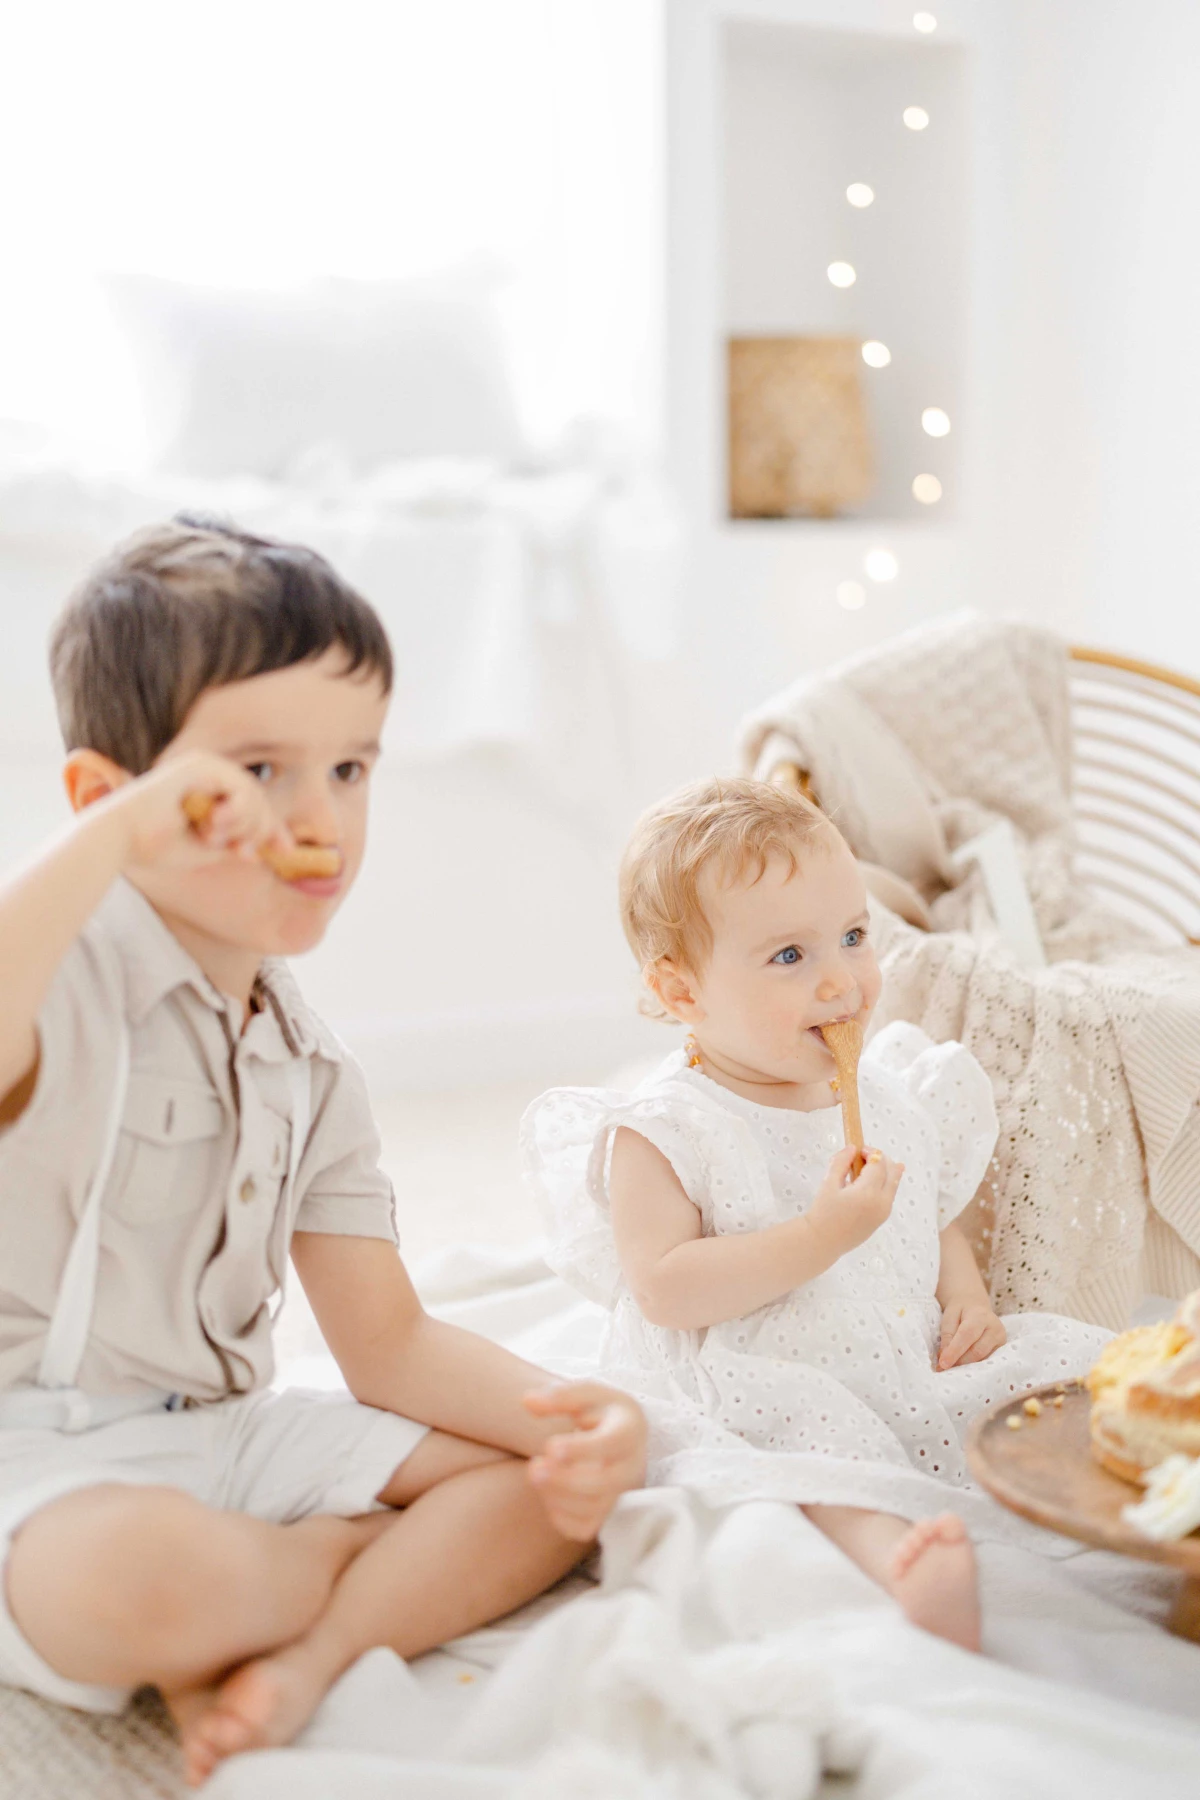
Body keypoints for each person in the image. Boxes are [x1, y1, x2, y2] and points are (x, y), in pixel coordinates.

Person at [0, 517, 646, 1787]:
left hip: (234, 1434)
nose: (322, 819)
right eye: (260, 772)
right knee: (134, 1582)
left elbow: (390, 1346)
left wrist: (582, 1416)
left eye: (351, 769)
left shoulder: (309, 1063)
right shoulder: (64, 982)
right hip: (46, 1450)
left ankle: (308, 1649)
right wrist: (113, 846)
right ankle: (316, 1576)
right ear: (108, 799)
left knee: (548, 1492)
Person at [524, 777, 1108, 1653]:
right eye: (790, 957)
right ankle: (897, 1555)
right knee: (822, 1458)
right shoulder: (671, 1128)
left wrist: (968, 1296)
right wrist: (817, 1237)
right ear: (682, 993)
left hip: (903, 1349)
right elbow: (666, 1289)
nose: (842, 979)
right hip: (759, 1371)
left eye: (853, 936)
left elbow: (921, 1207)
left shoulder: (879, 1091)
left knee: (1066, 1364)